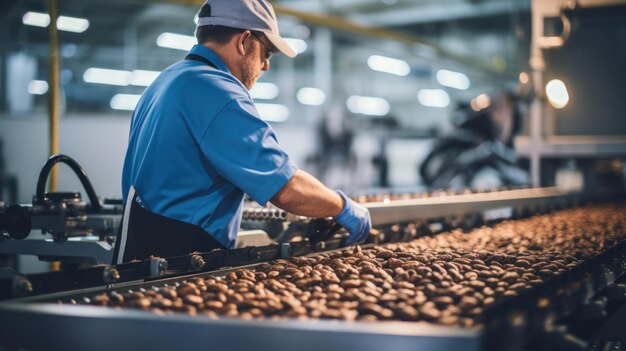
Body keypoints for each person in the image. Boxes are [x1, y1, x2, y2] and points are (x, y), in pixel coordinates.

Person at [113, 0, 371, 264]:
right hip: (179, 258)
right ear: (245, 41)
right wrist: (343, 206)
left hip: (141, 249)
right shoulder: (219, 91)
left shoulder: (168, 80)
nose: (266, 65)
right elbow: (286, 188)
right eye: (267, 52)